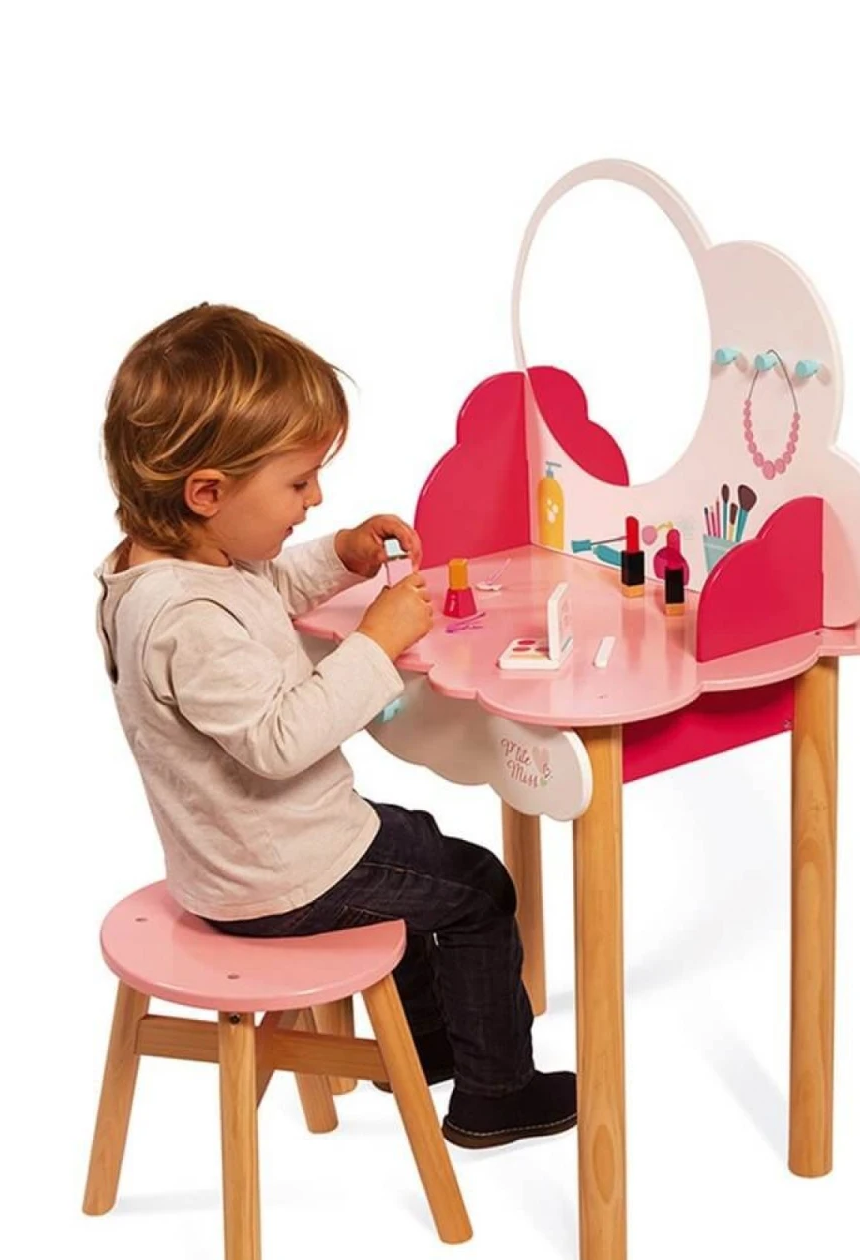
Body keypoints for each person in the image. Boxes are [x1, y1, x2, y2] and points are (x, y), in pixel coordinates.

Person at [94, 303, 575, 1148]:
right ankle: (497, 1093)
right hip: (282, 873)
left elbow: (261, 591)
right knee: (478, 889)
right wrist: (375, 641)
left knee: (417, 847)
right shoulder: (188, 619)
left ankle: (426, 1049)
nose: (315, 498)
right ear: (207, 492)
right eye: (298, 482)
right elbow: (279, 741)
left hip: (241, 859)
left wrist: (341, 557)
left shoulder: (173, 572)